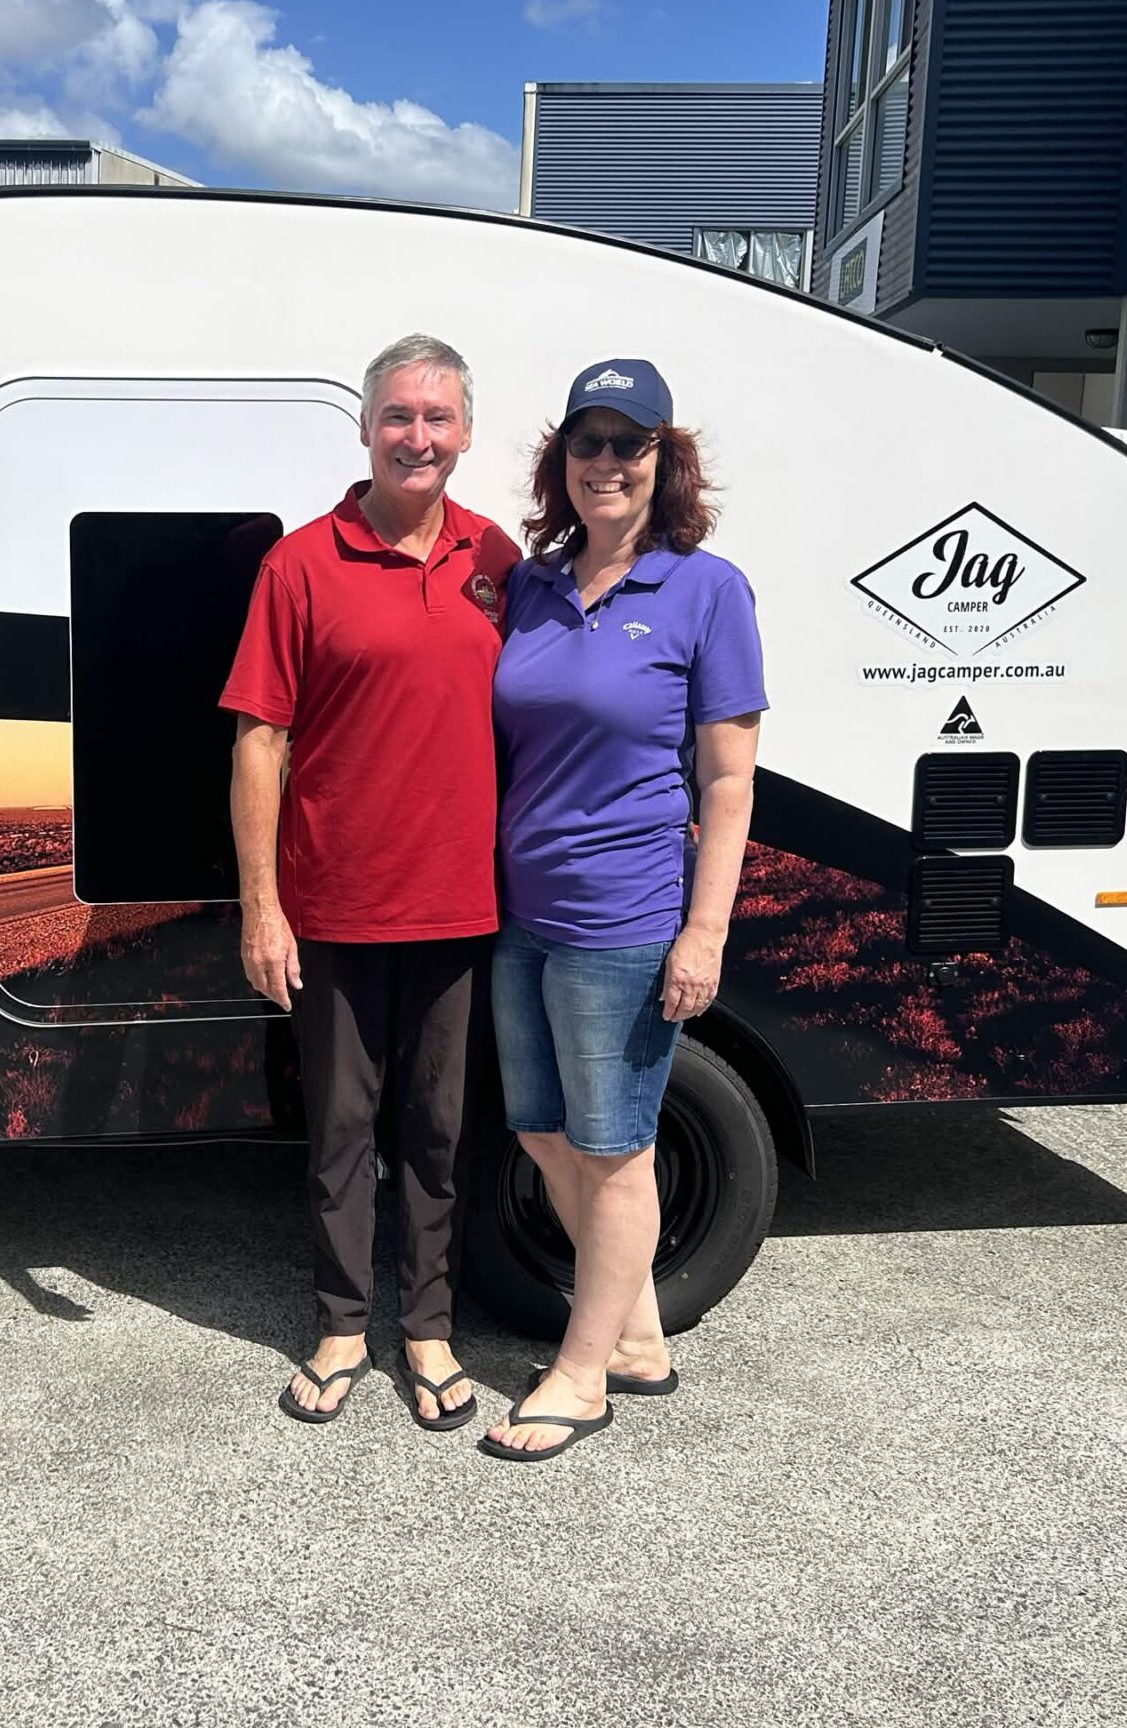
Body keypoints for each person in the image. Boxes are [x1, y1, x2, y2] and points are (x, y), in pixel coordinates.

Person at [221, 333, 520, 1432]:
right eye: (398, 415)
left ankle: (429, 1328)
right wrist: (263, 910)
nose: (417, 437)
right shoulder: (301, 564)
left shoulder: (500, 560)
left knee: (440, 1131)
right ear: (363, 428)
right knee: (343, 1131)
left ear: (466, 432)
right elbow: (259, 742)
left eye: (437, 417)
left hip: (463, 905)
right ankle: (343, 1324)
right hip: (336, 907)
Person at [478, 357, 765, 1463]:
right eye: (587, 442)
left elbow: (729, 781)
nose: (606, 462)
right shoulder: (533, 586)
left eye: (628, 443)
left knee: (614, 1152)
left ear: (663, 460)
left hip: (626, 918)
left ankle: (581, 1374)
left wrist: (705, 931)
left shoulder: (706, 590)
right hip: (523, 911)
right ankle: (639, 1335)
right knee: (541, 1131)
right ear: (562, 460)